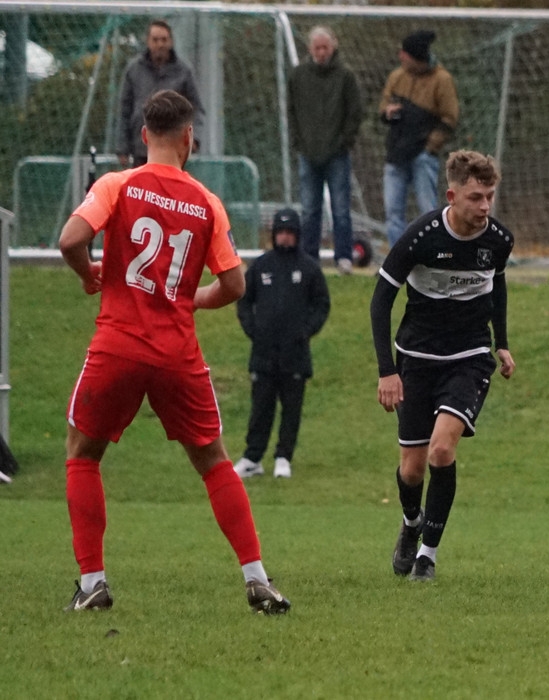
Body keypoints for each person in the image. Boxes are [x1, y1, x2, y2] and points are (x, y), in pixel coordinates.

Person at [59, 90, 289, 614]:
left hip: (118, 344)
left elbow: (71, 239)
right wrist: (193, 300)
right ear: (189, 138)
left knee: (83, 454)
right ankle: (256, 578)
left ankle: (92, 583)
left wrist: (88, 273)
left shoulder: (117, 184)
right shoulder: (206, 202)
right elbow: (234, 284)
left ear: (145, 135)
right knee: (214, 462)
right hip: (176, 352)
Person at [370, 150, 514, 582]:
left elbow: (497, 285)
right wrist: (387, 370)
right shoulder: (421, 237)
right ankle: (411, 523)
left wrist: (502, 344)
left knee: (442, 450)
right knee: (412, 469)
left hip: (469, 359)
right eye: (475, 197)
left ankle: (427, 557)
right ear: (452, 196)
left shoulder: (499, 241)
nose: (485, 206)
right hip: (416, 360)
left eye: (490, 196)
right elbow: (380, 300)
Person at [233, 208, 330, 480]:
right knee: (260, 408)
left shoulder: (309, 268)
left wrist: (305, 331)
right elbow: (243, 299)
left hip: (295, 354)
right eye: (281, 232)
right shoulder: (261, 266)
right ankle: (253, 457)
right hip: (263, 353)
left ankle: (283, 457)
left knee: (291, 409)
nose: (285, 237)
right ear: (274, 234)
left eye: (290, 232)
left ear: (297, 235)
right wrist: (254, 330)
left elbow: (322, 305)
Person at [288, 25, 363, 271]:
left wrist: (343, 142)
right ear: (310, 49)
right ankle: (309, 258)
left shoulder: (345, 76)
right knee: (310, 209)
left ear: (333, 47)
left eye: (325, 47)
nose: (321, 52)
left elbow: (354, 113)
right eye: (317, 48)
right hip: (307, 153)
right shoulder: (298, 76)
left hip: (337, 154)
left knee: (341, 208)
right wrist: (299, 142)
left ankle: (344, 257)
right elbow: (291, 111)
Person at [378, 30, 460, 247]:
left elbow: (450, 118)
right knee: (393, 212)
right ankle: (397, 258)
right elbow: (383, 107)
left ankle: (433, 254)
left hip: (422, 156)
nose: (400, 57)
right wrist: (388, 112)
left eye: (405, 54)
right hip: (396, 153)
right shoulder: (397, 77)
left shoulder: (442, 80)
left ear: (416, 57)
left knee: (428, 212)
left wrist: (429, 147)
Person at [117, 20, 205, 167]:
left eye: (164, 40)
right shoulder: (134, 70)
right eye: (155, 40)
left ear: (171, 41)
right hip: (141, 150)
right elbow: (124, 111)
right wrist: (122, 147)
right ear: (148, 41)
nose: (160, 44)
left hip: (174, 151)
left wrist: (194, 138)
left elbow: (196, 108)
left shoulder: (184, 71)